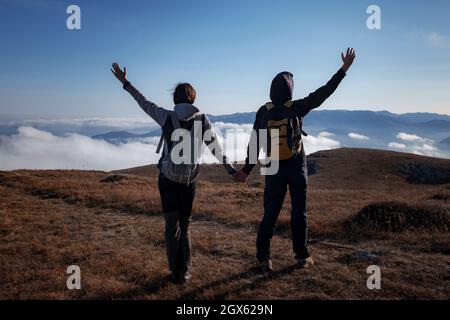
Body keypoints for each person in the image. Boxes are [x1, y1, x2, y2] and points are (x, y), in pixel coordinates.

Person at [111, 63, 237, 284]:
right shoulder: (202, 120)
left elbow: (144, 103)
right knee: (185, 225)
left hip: (167, 179)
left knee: (171, 225)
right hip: (189, 181)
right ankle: (185, 271)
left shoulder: (166, 116)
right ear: (192, 98)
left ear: (175, 99)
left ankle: (174, 270)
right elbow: (215, 148)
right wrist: (232, 171)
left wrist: (126, 83)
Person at [234, 48, 356, 273]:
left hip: (272, 166)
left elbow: (255, 143)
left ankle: (263, 259)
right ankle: (301, 256)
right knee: (299, 211)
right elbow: (323, 93)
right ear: (290, 90)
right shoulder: (297, 107)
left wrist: (245, 170)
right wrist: (344, 69)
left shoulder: (264, 111)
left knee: (270, 213)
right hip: (296, 164)